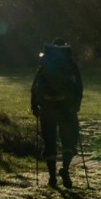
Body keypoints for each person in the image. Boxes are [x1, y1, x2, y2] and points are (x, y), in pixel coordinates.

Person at [30, 37, 83, 188]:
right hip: (66, 107)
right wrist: (76, 105)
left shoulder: (45, 64)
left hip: (47, 107)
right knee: (69, 139)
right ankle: (65, 169)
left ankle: (52, 177)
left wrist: (34, 106)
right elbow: (78, 87)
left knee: (49, 141)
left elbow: (35, 87)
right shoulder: (70, 65)